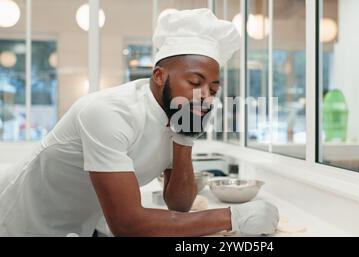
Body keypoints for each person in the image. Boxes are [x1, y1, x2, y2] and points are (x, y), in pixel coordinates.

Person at [0, 8, 279, 237]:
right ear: (159, 76)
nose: (205, 96)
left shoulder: (177, 115)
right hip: (20, 223)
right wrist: (231, 217)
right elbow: (127, 224)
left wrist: (184, 139)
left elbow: (179, 205)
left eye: (214, 89)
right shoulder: (108, 112)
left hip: (81, 225)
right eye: (195, 82)